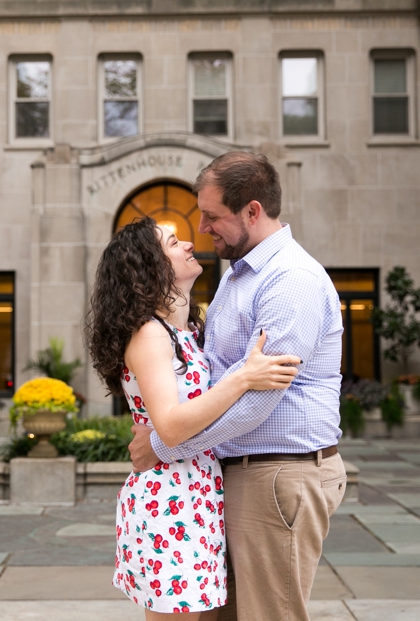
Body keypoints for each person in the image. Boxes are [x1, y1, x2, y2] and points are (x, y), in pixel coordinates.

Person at [128, 151, 346, 621]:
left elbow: (256, 406)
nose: (202, 229)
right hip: (233, 475)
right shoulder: (240, 274)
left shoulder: (290, 281)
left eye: (212, 216)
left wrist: (164, 447)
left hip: (276, 474)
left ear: (252, 210)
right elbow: (216, 375)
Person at [85, 216, 300, 620]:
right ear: (150, 267)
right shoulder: (150, 333)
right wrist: (244, 379)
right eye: (172, 242)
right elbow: (168, 425)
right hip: (170, 500)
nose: (188, 244)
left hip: (195, 495)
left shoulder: (184, 331)